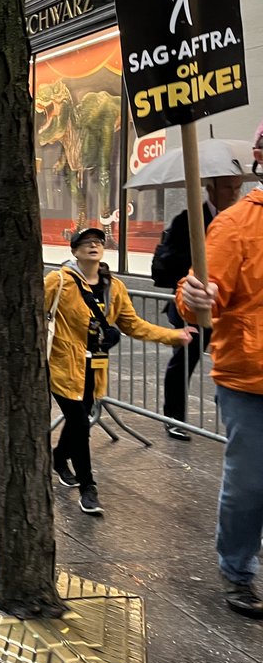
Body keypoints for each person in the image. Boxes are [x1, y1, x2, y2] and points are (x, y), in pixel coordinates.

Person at [48, 228, 189, 515]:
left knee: (81, 419)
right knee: (78, 421)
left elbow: (134, 325)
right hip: (62, 364)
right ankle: (89, 487)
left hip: (94, 366)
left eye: (98, 242)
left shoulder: (115, 287)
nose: (93, 246)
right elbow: (27, 316)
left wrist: (174, 336)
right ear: (74, 251)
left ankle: (59, 458)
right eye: (86, 243)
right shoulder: (58, 281)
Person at [177, 173, 263, 618]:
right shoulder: (235, 225)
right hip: (250, 381)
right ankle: (237, 570)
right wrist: (195, 296)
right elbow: (194, 303)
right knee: (251, 485)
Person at [152, 175, 243, 439]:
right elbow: (169, 261)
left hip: (226, 309)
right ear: (211, 188)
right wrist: (201, 262)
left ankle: (231, 415)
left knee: (227, 361)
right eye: (228, 187)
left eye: (237, 187)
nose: (234, 193)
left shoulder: (238, 220)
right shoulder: (188, 218)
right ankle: (173, 417)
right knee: (184, 361)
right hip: (192, 305)